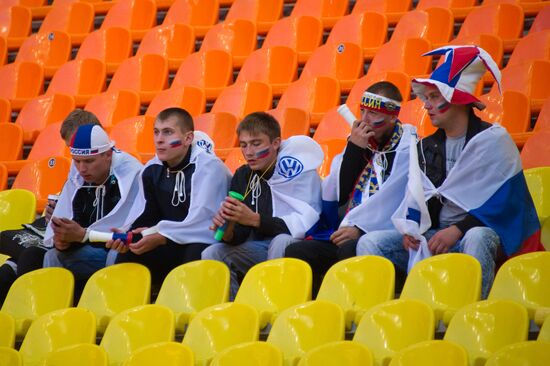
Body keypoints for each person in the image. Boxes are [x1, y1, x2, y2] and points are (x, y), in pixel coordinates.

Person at [357, 45, 544, 298]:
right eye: (427, 98)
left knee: (477, 237)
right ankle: (389, 313)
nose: (427, 106)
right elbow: (420, 200)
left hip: (484, 233)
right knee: (370, 243)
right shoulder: (426, 146)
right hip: (436, 236)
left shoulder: (494, 140)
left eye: (435, 98)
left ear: (457, 100)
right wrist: (412, 230)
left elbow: (507, 203)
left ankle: (474, 309)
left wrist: (458, 229)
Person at [285, 82, 416, 294]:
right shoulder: (358, 142)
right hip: (347, 229)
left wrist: (361, 228)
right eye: (362, 111)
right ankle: (321, 309)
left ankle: (352, 307)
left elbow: (393, 199)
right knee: (297, 251)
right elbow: (341, 192)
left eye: (373, 113)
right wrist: (355, 149)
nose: (364, 120)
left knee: (349, 249)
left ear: (393, 116)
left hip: (386, 233)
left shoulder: (407, 146)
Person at [202, 111, 323, 298]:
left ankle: (275, 306)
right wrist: (228, 229)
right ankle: (231, 313)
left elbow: (306, 225)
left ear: (275, 143)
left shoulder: (296, 170)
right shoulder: (243, 175)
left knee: (280, 241)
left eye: (256, 143)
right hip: (258, 248)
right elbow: (239, 236)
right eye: (243, 145)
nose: (249, 152)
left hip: (296, 244)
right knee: (212, 253)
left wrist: (255, 220)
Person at [107, 107, 231, 285]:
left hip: (202, 240)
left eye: (168, 132)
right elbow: (146, 214)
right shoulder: (151, 169)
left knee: (196, 251)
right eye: (156, 132)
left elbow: (202, 224)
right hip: (167, 239)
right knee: (129, 252)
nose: (159, 140)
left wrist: (161, 234)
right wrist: (129, 235)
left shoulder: (209, 167)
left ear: (188, 138)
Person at [0, 110, 102, 304]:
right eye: (71, 149)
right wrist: (54, 212)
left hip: (83, 242)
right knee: (7, 266)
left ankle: (30, 313)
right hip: (61, 235)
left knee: (29, 257)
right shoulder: (79, 168)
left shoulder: (115, 172)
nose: (77, 157)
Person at [42, 123, 143, 290]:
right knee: (52, 255)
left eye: (89, 161)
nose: (82, 168)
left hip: (121, 250)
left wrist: (82, 235)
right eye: (77, 161)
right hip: (88, 246)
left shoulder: (131, 173)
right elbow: (70, 218)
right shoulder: (77, 173)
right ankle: (53, 313)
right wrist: (61, 239)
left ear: (108, 155)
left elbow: (132, 232)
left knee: (115, 254)